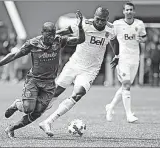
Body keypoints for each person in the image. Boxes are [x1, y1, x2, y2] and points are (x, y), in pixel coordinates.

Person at [0, 10, 85, 139]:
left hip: (50, 84)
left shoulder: (59, 40)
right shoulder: (33, 43)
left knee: (37, 112)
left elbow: (80, 40)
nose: (51, 38)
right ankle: (17, 104)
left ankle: (12, 128)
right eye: (48, 35)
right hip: (33, 81)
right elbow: (14, 55)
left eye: (53, 34)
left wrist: (79, 27)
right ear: (42, 33)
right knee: (28, 108)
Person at [39, 7, 115, 137]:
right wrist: (51, 36)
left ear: (107, 19)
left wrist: (117, 55)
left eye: (103, 20)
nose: (100, 22)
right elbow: (68, 30)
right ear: (94, 16)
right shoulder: (85, 24)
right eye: (97, 19)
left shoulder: (111, 29)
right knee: (55, 92)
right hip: (74, 64)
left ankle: (48, 121)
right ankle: (35, 111)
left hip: (90, 70)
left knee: (78, 93)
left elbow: (112, 40)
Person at [105, 2, 147, 123]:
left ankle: (110, 106)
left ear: (134, 11)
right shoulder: (117, 24)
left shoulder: (139, 24)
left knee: (125, 87)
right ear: (123, 11)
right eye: (126, 10)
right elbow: (112, 39)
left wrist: (142, 40)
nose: (128, 12)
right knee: (127, 85)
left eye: (131, 10)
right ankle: (129, 115)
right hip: (123, 59)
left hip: (135, 59)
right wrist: (116, 55)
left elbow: (145, 37)